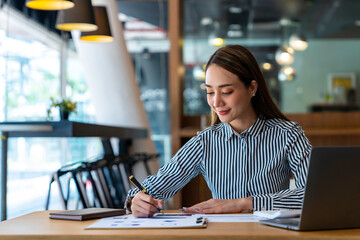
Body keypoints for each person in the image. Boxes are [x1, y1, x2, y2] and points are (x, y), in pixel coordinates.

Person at [126, 45, 312, 217]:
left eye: (226, 92)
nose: (216, 102)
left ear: (252, 88)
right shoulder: (204, 143)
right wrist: (136, 201)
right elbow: (148, 190)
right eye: (209, 92)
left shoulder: (288, 135)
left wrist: (243, 203)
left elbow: (315, 193)